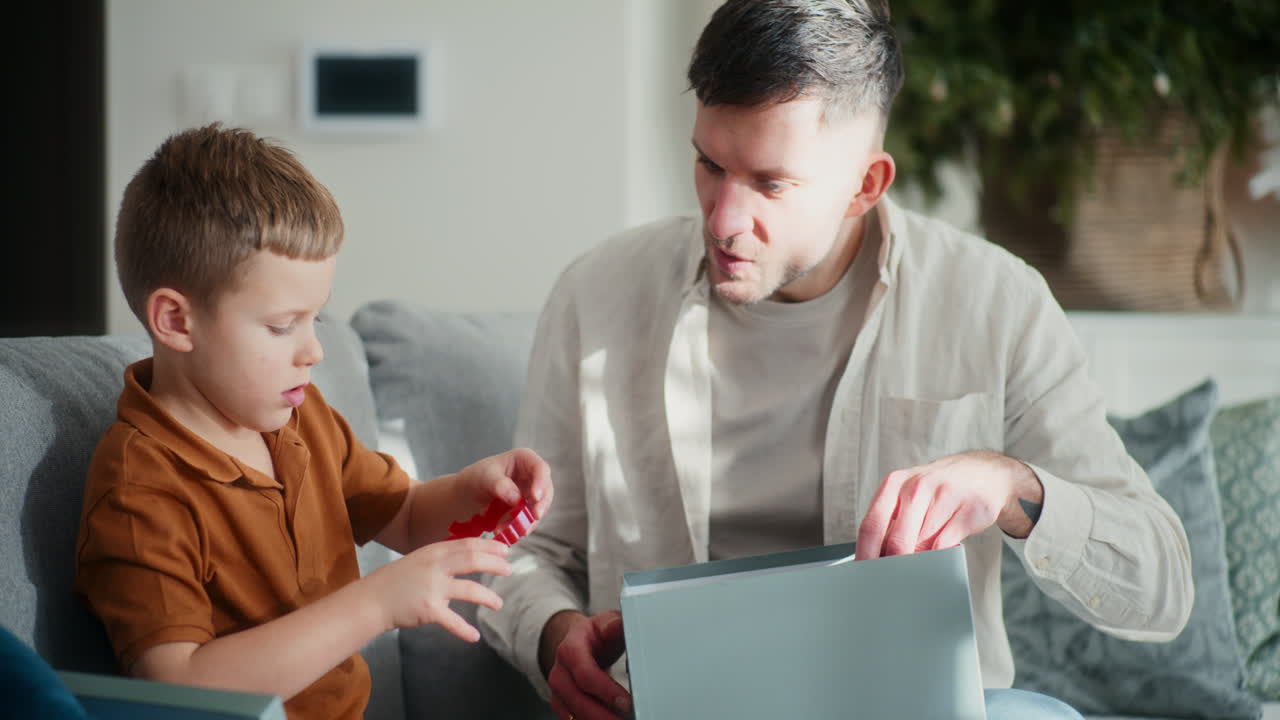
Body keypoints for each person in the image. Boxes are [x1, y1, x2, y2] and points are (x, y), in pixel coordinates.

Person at [478, 1, 1194, 719]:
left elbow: (1159, 589)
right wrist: (553, 635)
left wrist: (1012, 490)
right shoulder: (596, 294)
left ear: (866, 186)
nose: (724, 220)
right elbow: (522, 551)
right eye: (709, 164)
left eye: (770, 183)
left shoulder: (995, 302)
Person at [75, 124, 553, 720]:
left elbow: (402, 513)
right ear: (176, 320)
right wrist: (376, 605)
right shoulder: (138, 489)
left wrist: (473, 492)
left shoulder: (299, 416)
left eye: (316, 320)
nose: (313, 351)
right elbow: (180, 685)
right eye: (282, 326)